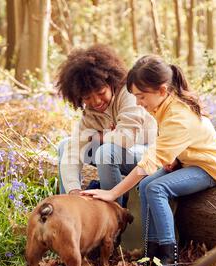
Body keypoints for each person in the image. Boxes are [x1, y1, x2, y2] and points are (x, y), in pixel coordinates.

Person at [81, 55, 216, 266]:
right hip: (187, 162)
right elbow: (167, 147)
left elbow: (149, 162)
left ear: (161, 90)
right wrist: (175, 159)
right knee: (145, 185)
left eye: (141, 97)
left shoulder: (179, 115)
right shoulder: (163, 106)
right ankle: (150, 253)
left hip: (207, 168)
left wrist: (113, 193)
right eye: (135, 97)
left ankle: (171, 257)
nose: (139, 103)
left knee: (156, 187)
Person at [56, 45, 157, 206]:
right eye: (87, 97)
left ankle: (114, 214)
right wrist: (73, 191)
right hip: (119, 154)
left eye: (101, 92)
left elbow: (127, 139)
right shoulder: (90, 113)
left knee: (105, 151)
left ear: (110, 82)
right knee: (65, 146)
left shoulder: (128, 94)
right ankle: (69, 206)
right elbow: (74, 150)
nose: (96, 101)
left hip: (148, 153)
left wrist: (101, 136)